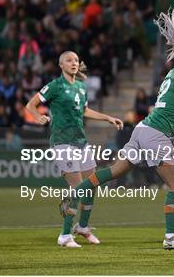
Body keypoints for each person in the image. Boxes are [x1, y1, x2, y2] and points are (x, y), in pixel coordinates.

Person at [60, 7, 174, 250]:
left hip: (143, 129)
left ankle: (75, 194)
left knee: (115, 171)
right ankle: (170, 238)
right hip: (157, 134)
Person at [26, 51, 123, 248]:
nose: (74, 63)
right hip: (62, 141)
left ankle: (83, 227)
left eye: (76, 60)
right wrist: (38, 117)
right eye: (69, 60)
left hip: (81, 141)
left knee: (92, 185)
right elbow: (31, 105)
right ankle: (64, 235)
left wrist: (108, 118)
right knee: (77, 188)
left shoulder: (81, 87)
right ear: (60, 65)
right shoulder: (55, 86)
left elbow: (85, 111)